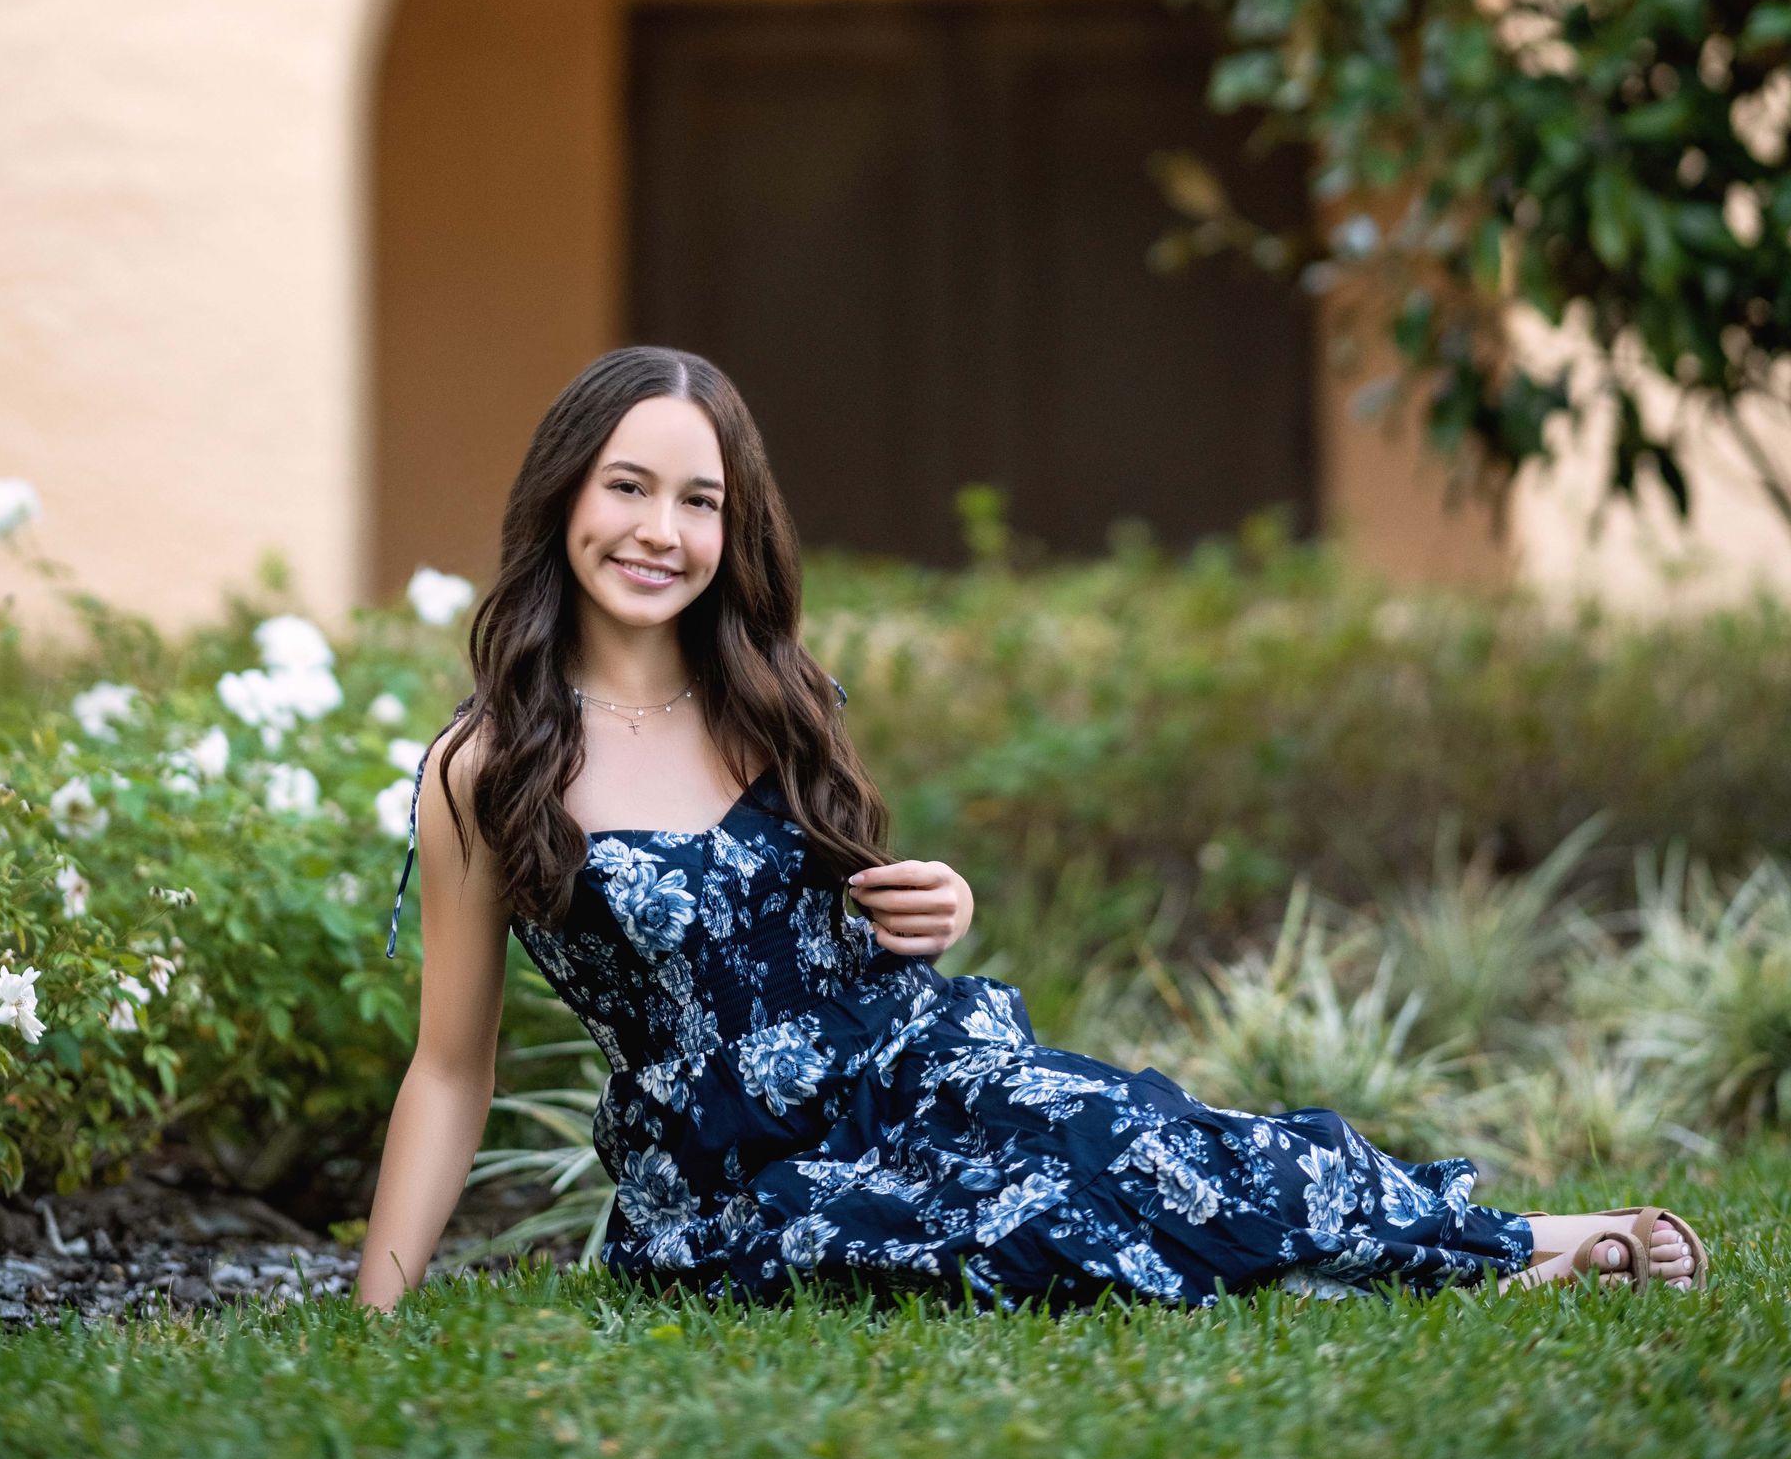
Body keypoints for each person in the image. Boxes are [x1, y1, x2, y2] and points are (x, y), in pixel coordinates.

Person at [356, 346, 1709, 1313]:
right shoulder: (492, 768)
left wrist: (935, 908)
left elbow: (857, 918)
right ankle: (1417, 1265)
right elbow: (452, 1069)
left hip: (917, 1073)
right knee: (1034, 1230)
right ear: (562, 499)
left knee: (1125, 1135)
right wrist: (378, 1309)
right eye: (626, 488)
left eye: (698, 500)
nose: (661, 530)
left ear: (736, 522)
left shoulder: (777, 699)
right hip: (737, 1187)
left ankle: (1510, 1242)